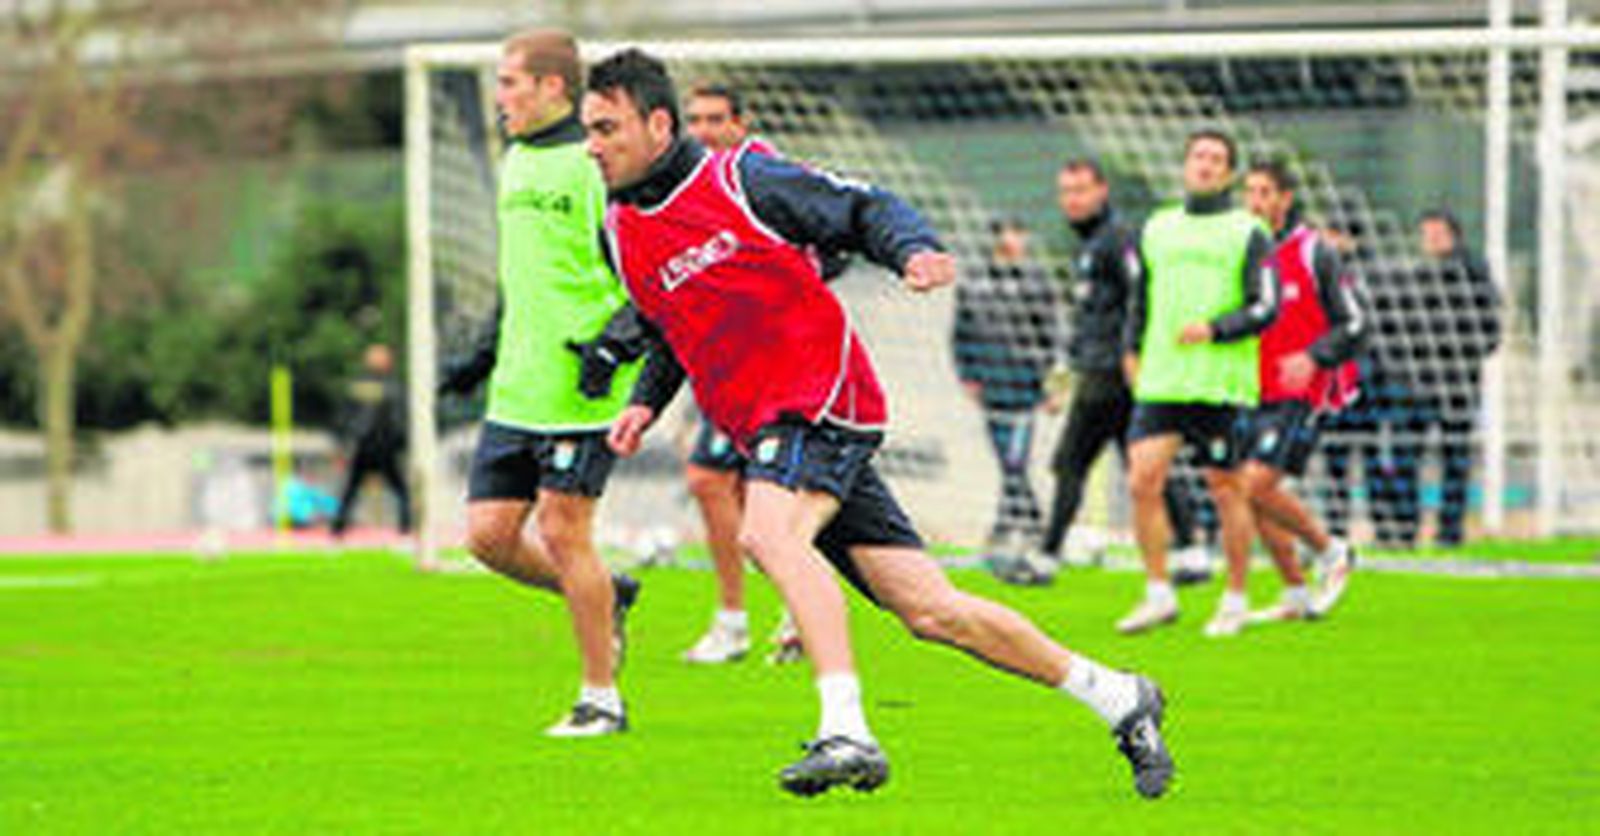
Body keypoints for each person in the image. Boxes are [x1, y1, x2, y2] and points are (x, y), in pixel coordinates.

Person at [583, 47, 1172, 799]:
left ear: (657, 124)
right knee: (933, 611)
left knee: (765, 534)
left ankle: (848, 730)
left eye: (606, 127)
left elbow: (863, 208)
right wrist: (644, 400)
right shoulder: (620, 230)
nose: (593, 145)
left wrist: (914, 249)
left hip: (819, 397)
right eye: (588, 131)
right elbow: (677, 324)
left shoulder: (743, 179)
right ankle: (1118, 696)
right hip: (765, 423)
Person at [435, 29, 643, 738]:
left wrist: (615, 346)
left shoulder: (596, 167)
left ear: (554, 88)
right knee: (488, 538)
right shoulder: (516, 162)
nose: (500, 98)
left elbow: (642, 279)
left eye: (509, 83)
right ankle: (605, 596)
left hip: (585, 388)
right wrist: (483, 348)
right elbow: (526, 276)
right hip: (517, 387)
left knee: (562, 530)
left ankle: (600, 700)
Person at [1119, 128, 1279, 639]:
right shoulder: (1159, 227)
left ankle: (1235, 596)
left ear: (1229, 173)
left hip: (1219, 382)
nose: (1205, 166)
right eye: (1198, 156)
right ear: (1185, 165)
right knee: (1142, 481)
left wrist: (1215, 329)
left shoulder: (1247, 230)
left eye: (1216, 159)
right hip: (1163, 379)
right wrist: (1130, 351)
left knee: (1225, 489)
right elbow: (1140, 297)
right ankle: (1158, 593)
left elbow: (1265, 306)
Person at [675, 80, 801, 665]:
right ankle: (771, 615)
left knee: (716, 478)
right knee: (731, 484)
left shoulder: (765, 175)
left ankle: (744, 619)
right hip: (725, 360)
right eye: (694, 120)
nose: (702, 131)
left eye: (715, 119)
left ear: (741, 124)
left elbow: (833, 239)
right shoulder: (689, 185)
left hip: (775, 359)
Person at [1039, 158, 1209, 582]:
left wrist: (1132, 355)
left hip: (1118, 375)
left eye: (1080, 190)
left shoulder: (1118, 239)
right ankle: (1191, 551)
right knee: (1145, 467)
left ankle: (1046, 556)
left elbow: (1142, 295)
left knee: (1072, 463)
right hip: (1102, 371)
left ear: (1102, 191)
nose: (1072, 201)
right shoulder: (1092, 243)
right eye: (1066, 191)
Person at [1238, 160, 1366, 621]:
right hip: (1253, 387)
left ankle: (1331, 549)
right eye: (1249, 192)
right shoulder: (1243, 252)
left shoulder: (1315, 252)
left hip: (1307, 390)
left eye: (1264, 192)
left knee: (1257, 483)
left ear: (1285, 198)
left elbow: (1355, 323)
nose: (1255, 202)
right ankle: (1294, 591)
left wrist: (1313, 356)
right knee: (1248, 492)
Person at [951, 217, 1059, 580]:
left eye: (1020, 233)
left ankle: (1010, 528)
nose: (1015, 241)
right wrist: (967, 375)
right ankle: (1031, 521)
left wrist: (1051, 387)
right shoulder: (975, 283)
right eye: (1009, 234)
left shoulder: (1037, 282)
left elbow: (1051, 337)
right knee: (1008, 462)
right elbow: (960, 333)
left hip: (1025, 387)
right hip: (990, 386)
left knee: (1014, 462)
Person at [1392, 210, 1502, 547]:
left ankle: (1449, 531)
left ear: (1454, 235)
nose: (1431, 241)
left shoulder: (1474, 275)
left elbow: (1491, 329)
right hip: (1418, 384)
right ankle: (1405, 528)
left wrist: (1463, 356)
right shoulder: (1415, 277)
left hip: (1458, 384)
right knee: (1406, 454)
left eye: (1437, 233)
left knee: (1455, 457)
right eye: (1426, 234)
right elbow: (1399, 327)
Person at [331, 343, 411, 537]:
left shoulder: (358, 384)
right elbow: (399, 418)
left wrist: (342, 443)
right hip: (380, 445)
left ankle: (338, 527)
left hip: (367, 445)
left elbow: (344, 417)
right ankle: (406, 526)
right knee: (398, 489)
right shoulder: (393, 385)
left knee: (352, 488)